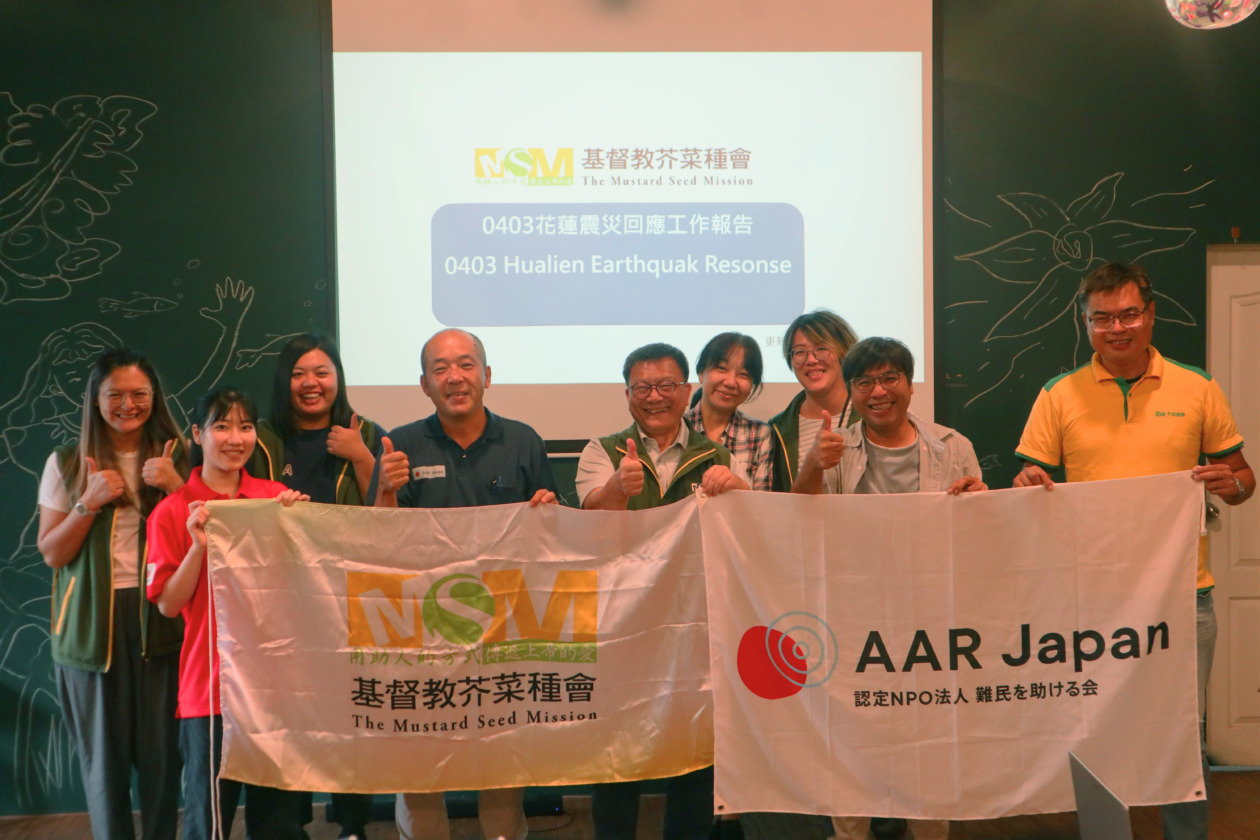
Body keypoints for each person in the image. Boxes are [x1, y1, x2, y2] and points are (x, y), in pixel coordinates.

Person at [1012, 262, 1253, 840]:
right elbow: (1031, 477)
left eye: (1127, 314)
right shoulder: (1058, 394)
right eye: (1102, 318)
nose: (1116, 328)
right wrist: (1027, 484)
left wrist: (1232, 484)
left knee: (1184, 732)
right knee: (1093, 726)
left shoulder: (1197, 387)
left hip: (1182, 596)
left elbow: (1243, 480)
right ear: (1085, 322)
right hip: (1092, 597)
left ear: (1149, 314)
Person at [797, 337, 984, 840]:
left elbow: (981, 539)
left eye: (889, 378)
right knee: (851, 744)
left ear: (909, 382)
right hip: (855, 619)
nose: (878, 392)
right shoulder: (834, 447)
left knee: (929, 746)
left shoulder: (953, 445)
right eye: (864, 382)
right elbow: (802, 518)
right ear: (851, 391)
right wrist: (814, 464)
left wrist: (981, 501)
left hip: (932, 619)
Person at [376, 328, 558, 840]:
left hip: (504, 623)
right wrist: (386, 490)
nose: (454, 377)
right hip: (421, 623)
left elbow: (553, 532)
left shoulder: (523, 440)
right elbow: (378, 539)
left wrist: (548, 513)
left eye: (465, 364)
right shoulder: (401, 443)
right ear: (424, 384)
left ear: (486, 375)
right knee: (418, 744)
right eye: (440, 368)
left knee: (501, 747)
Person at [575, 342, 747, 840]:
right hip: (620, 628)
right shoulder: (600, 451)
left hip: (696, 628)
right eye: (642, 388)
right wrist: (616, 490)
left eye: (666, 385)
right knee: (617, 753)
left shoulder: (719, 454)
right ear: (626, 394)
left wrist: (738, 488)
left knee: (693, 754)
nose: (655, 397)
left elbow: (751, 528)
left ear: (687, 390)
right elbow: (587, 521)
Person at [145, 386, 309, 840]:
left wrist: (301, 526)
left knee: (279, 824)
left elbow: (304, 586)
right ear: (198, 434)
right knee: (207, 823)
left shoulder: (273, 500)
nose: (235, 438)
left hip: (272, 688)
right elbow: (169, 604)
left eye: (245, 426)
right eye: (221, 426)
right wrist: (199, 545)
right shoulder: (171, 512)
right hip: (209, 690)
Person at [36, 348, 187, 840]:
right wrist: (87, 503)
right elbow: (53, 553)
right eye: (115, 395)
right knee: (104, 766)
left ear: (154, 398)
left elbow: (212, 540)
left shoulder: (179, 456)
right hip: (91, 628)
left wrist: (177, 487)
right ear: (96, 401)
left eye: (139, 394)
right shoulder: (65, 462)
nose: (128, 404)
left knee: (165, 759)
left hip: (162, 618)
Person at [249, 333, 385, 840]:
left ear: (338, 379)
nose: (311, 384)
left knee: (353, 712)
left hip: (350, 599)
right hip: (277, 603)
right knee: (286, 711)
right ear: (285, 382)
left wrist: (360, 457)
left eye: (322, 372)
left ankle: (352, 823)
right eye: (300, 374)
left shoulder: (365, 431)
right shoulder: (256, 436)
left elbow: (392, 516)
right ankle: (287, 824)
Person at [768, 309, 860, 492]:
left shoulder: (871, 414)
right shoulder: (777, 429)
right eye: (800, 352)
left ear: (844, 351)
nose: (811, 360)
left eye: (821, 349)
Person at [686, 332, 774, 492]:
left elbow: (763, 510)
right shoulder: (678, 428)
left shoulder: (759, 434)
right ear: (701, 373)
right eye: (722, 369)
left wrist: (740, 487)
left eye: (743, 374)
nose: (731, 382)